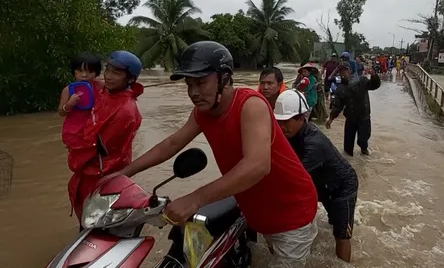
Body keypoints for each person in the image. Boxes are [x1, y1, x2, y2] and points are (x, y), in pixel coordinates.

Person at [119, 41, 319, 268]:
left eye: (201, 82)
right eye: (189, 84)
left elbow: (258, 165)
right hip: (258, 211)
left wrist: (195, 199)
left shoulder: (250, 105)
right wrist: (124, 173)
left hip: (292, 212)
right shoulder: (203, 111)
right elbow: (173, 143)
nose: (193, 93)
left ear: (224, 78)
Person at [274, 89, 359, 262]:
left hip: (342, 188)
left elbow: (293, 178)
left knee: (342, 235)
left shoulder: (315, 143)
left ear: (301, 118)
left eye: (286, 122)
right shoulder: (291, 134)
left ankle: (342, 264)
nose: (281, 127)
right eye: (278, 122)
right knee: (332, 221)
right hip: (324, 186)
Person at [67, 50, 143, 221]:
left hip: (101, 175)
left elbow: (96, 147)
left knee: (95, 223)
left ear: (130, 78)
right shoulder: (106, 91)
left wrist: (72, 144)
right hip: (89, 173)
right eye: (107, 69)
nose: (108, 76)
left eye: (116, 72)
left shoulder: (125, 111)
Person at [326, 63, 381, 156]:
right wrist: (331, 119)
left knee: (362, 141)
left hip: (364, 117)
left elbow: (374, 85)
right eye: (341, 71)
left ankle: (364, 153)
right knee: (347, 147)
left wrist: (374, 76)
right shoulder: (340, 89)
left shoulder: (361, 80)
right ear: (339, 73)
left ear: (349, 71)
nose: (343, 73)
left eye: (345, 70)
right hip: (350, 118)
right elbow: (337, 107)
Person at [58, 52, 103, 153]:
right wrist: (69, 104)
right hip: (75, 133)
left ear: (96, 73)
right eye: (79, 71)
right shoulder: (68, 90)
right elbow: (61, 112)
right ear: (74, 71)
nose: (84, 75)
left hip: (95, 131)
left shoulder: (100, 86)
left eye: (89, 71)